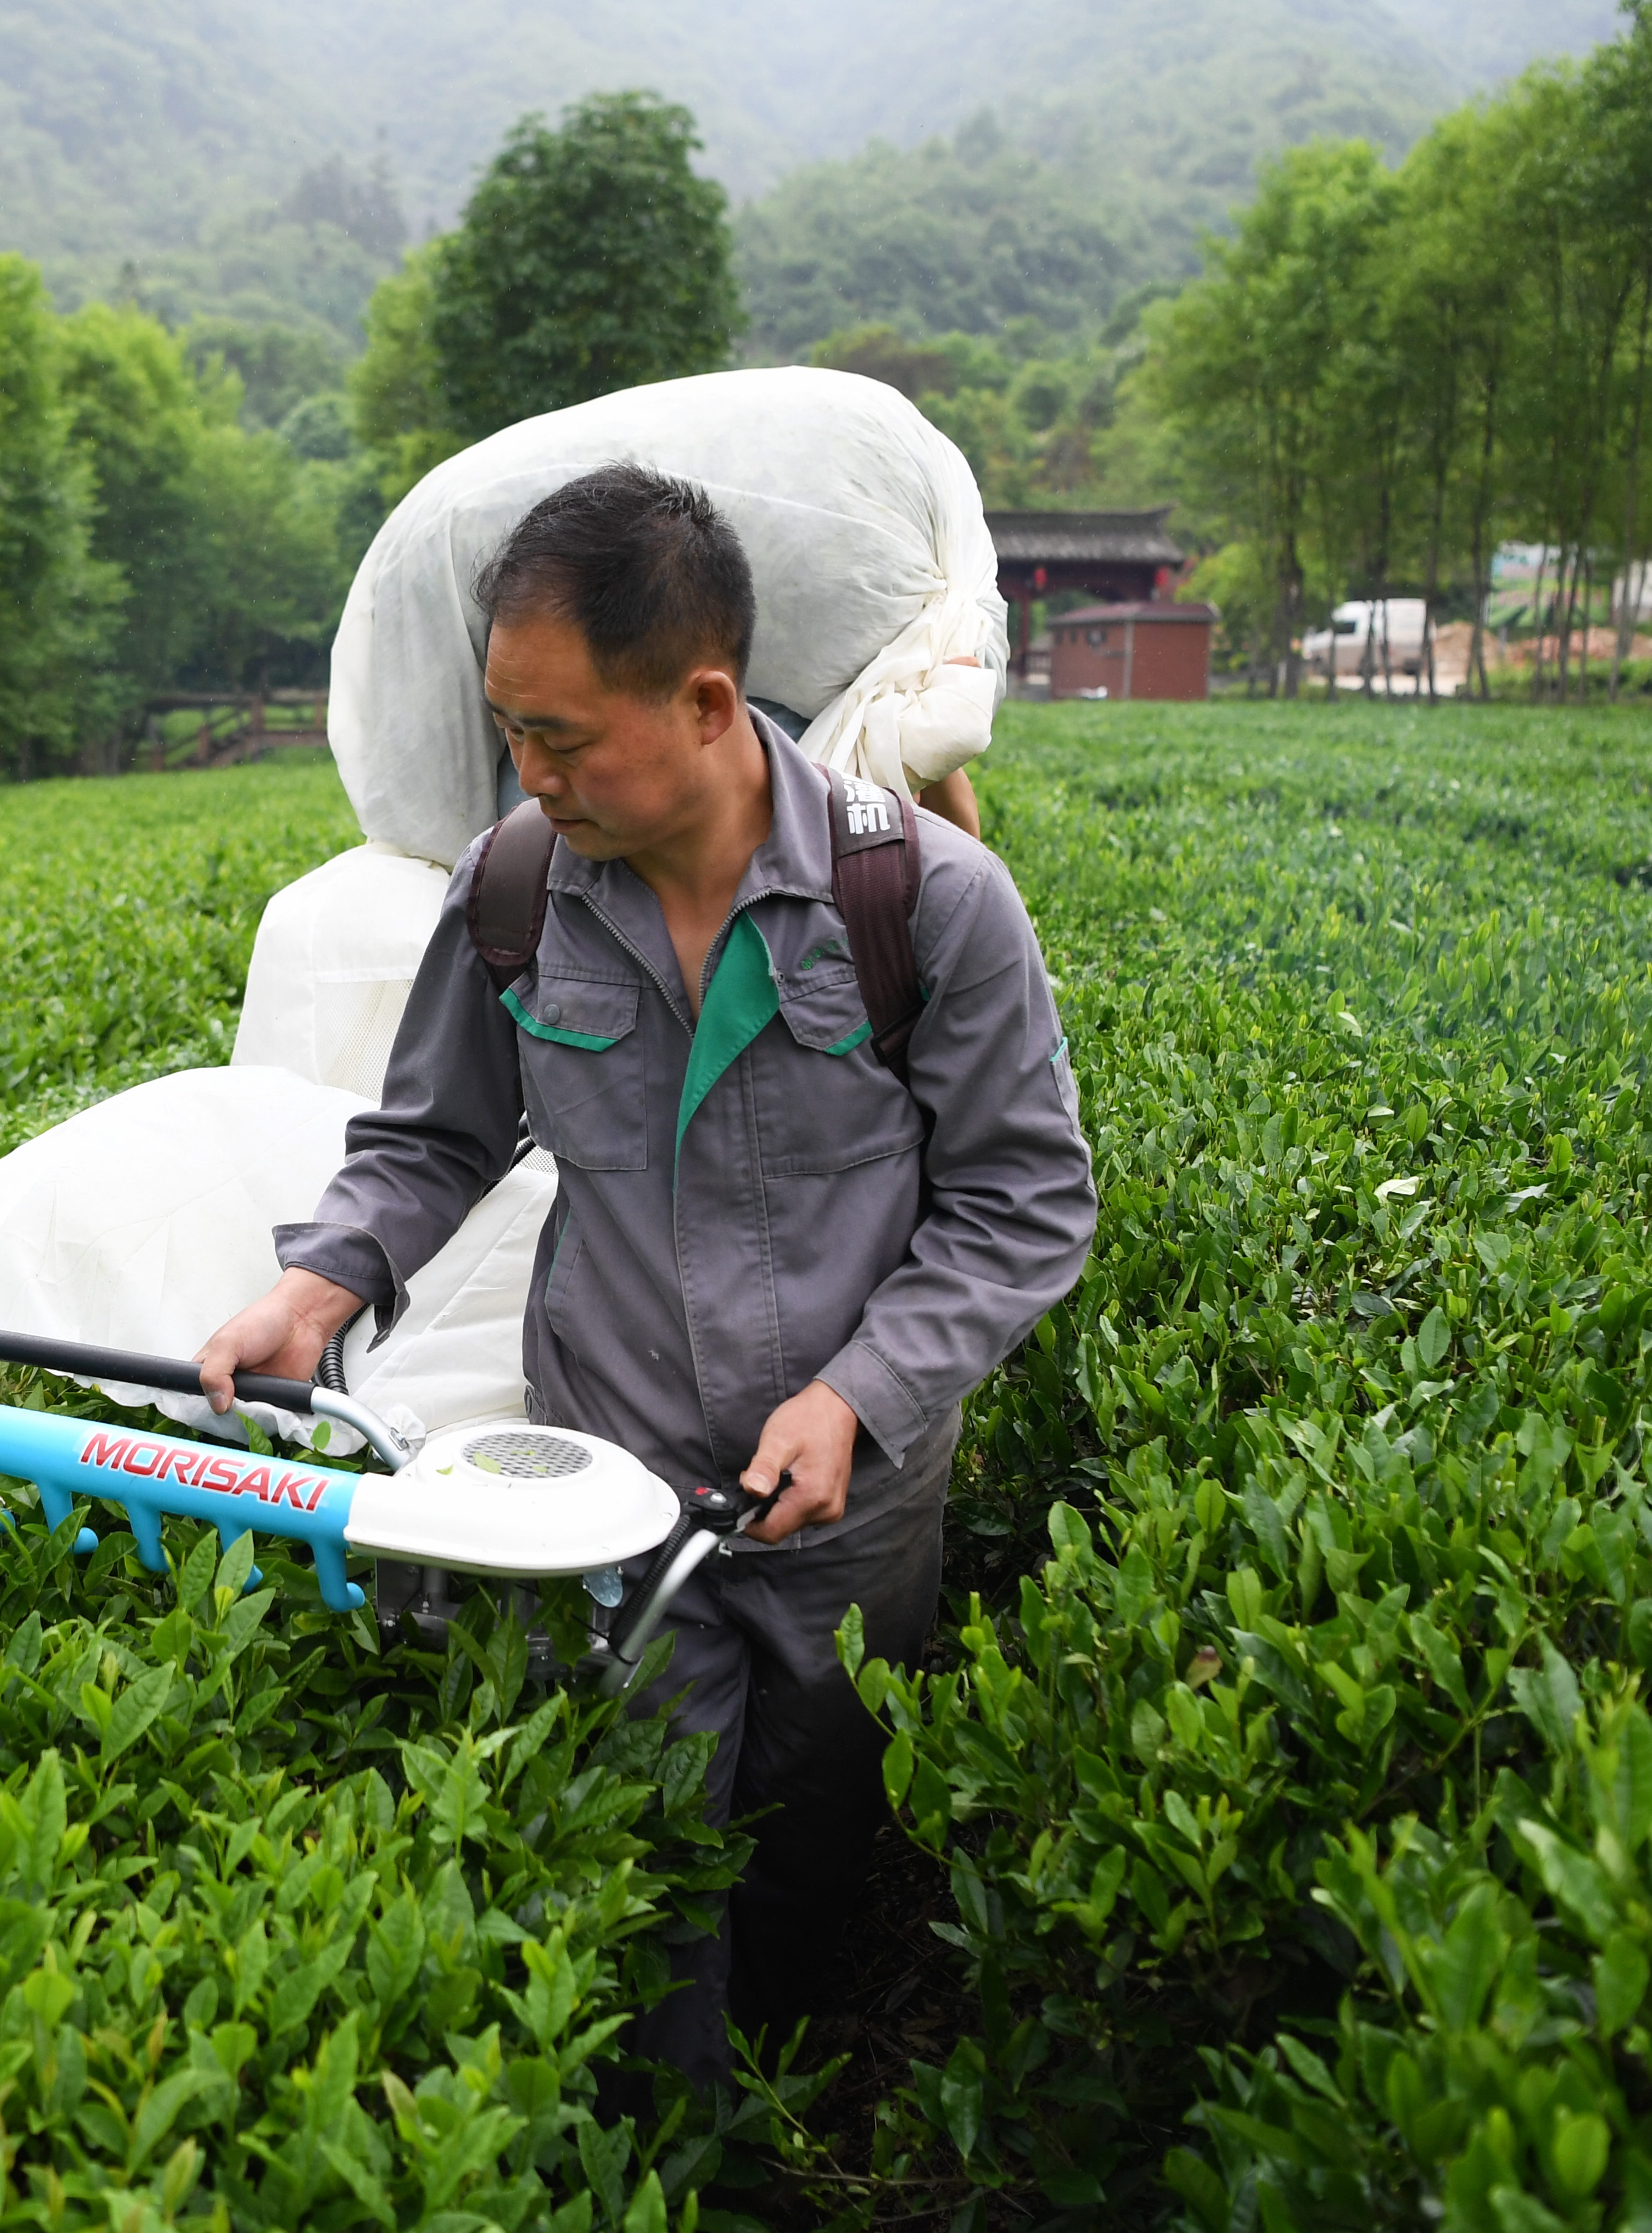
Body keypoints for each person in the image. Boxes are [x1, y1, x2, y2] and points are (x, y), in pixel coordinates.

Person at [195, 463, 1095, 2080]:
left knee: (818, 1819)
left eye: (557, 736)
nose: (524, 772)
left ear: (699, 699)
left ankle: (806, 2081)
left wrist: (857, 1395)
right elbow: (427, 1139)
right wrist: (318, 1285)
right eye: (507, 731)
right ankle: (683, 2146)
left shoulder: (921, 898)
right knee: (652, 1844)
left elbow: (1023, 1203)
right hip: (604, 1479)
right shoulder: (516, 891)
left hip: (846, 1494)